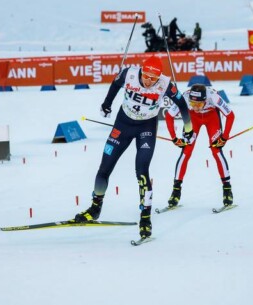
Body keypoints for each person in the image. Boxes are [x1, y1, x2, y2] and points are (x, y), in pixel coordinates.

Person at [74, 56, 194, 240]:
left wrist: (188, 128)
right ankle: (95, 207)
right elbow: (115, 85)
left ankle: (145, 217)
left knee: (142, 170)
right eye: (146, 76)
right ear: (141, 71)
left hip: (146, 128)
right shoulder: (128, 73)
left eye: (153, 79)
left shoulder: (165, 84)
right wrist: (106, 105)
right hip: (122, 125)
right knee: (104, 167)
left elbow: (182, 104)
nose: (148, 81)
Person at [164, 84, 235, 209]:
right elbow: (169, 116)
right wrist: (174, 138)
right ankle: (176, 191)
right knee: (186, 151)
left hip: (211, 116)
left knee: (216, 151)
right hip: (192, 118)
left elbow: (230, 115)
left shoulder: (213, 96)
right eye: (193, 103)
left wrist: (224, 137)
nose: (196, 107)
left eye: (199, 104)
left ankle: (227, 190)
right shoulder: (185, 97)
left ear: (205, 100)